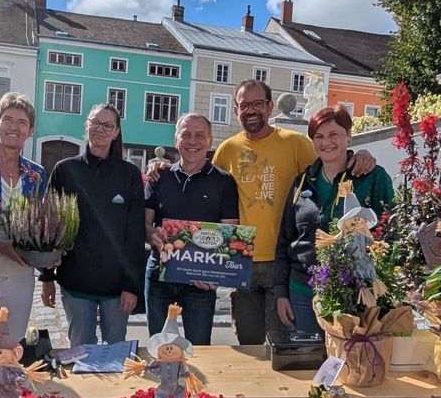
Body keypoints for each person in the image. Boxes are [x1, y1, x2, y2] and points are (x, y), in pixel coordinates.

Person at [211, 80, 376, 345]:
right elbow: (208, 190)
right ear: (235, 110)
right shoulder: (226, 150)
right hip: (241, 260)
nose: (251, 110)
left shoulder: (295, 143)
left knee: (283, 343)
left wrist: (360, 154)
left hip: (283, 262)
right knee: (249, 342)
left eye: (257, 104)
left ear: (270, 106)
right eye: (244, 105)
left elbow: (330, 161)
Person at [274, 104, 395, 332]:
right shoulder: (301, 182)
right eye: (318, 136)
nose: (326, 142)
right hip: (302, 291)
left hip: (355, 292)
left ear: (348, 136)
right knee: (307, 363)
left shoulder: (372, 177)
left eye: (334, 134)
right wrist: (281, 292)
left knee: (352, 361)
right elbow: (285, 239)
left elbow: (391, 231)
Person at [40, 103, 145, 346]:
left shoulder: (129, 174)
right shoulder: (65, 170)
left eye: (107, 125)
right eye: (95, 123)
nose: (100, 129)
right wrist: (46, 276)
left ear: (116, 132)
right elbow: (49, 226)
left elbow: (135, 234)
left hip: (117, 287)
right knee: (81, 351)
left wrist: (132, 286)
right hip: (76, 281)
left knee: (117, 352)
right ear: (87, 125)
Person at [144, 113, 238, 345]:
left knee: (199, 348)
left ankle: (194, 384)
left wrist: (216, 275)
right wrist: (151, 234)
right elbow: (144, 224)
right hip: (160, 274)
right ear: (176, 140)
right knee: (160, 346)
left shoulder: (224, 181)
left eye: (200, 136)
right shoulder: (159, 176)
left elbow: (229, 234)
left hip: (200, 279)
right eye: (186, 135)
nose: (192, 141)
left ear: (210, 141)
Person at [0, 93, 46, 343]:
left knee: (12, 340)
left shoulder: (36, 174)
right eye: (8, 119)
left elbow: (38, 221)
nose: (14, 127)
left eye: (22, 122)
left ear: (30, 130)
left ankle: (7, 383)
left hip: (20, 271)